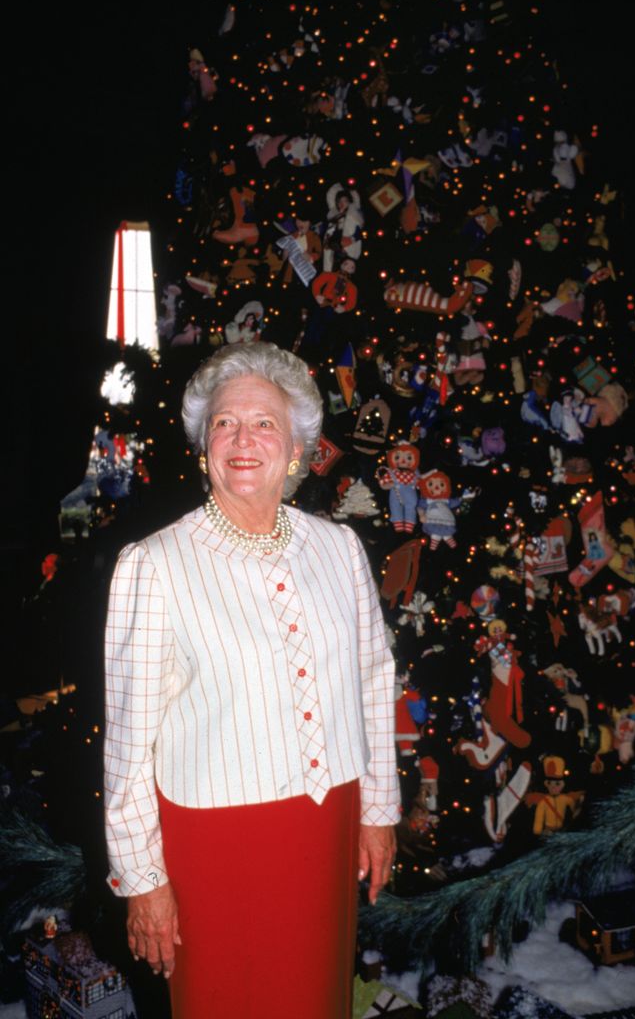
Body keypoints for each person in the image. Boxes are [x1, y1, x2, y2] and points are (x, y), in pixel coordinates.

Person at [104, 342, 400, 1018]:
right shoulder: (154, 564)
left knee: (314, 997)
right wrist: (143, 882)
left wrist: (378, 810)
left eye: (263, 423)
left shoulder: (338, 548)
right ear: (203, 443)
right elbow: (127, 744)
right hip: (216, 847)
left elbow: (373, 681)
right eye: (225, 423)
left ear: (296, 446)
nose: (243, 440)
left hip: (326, 826)